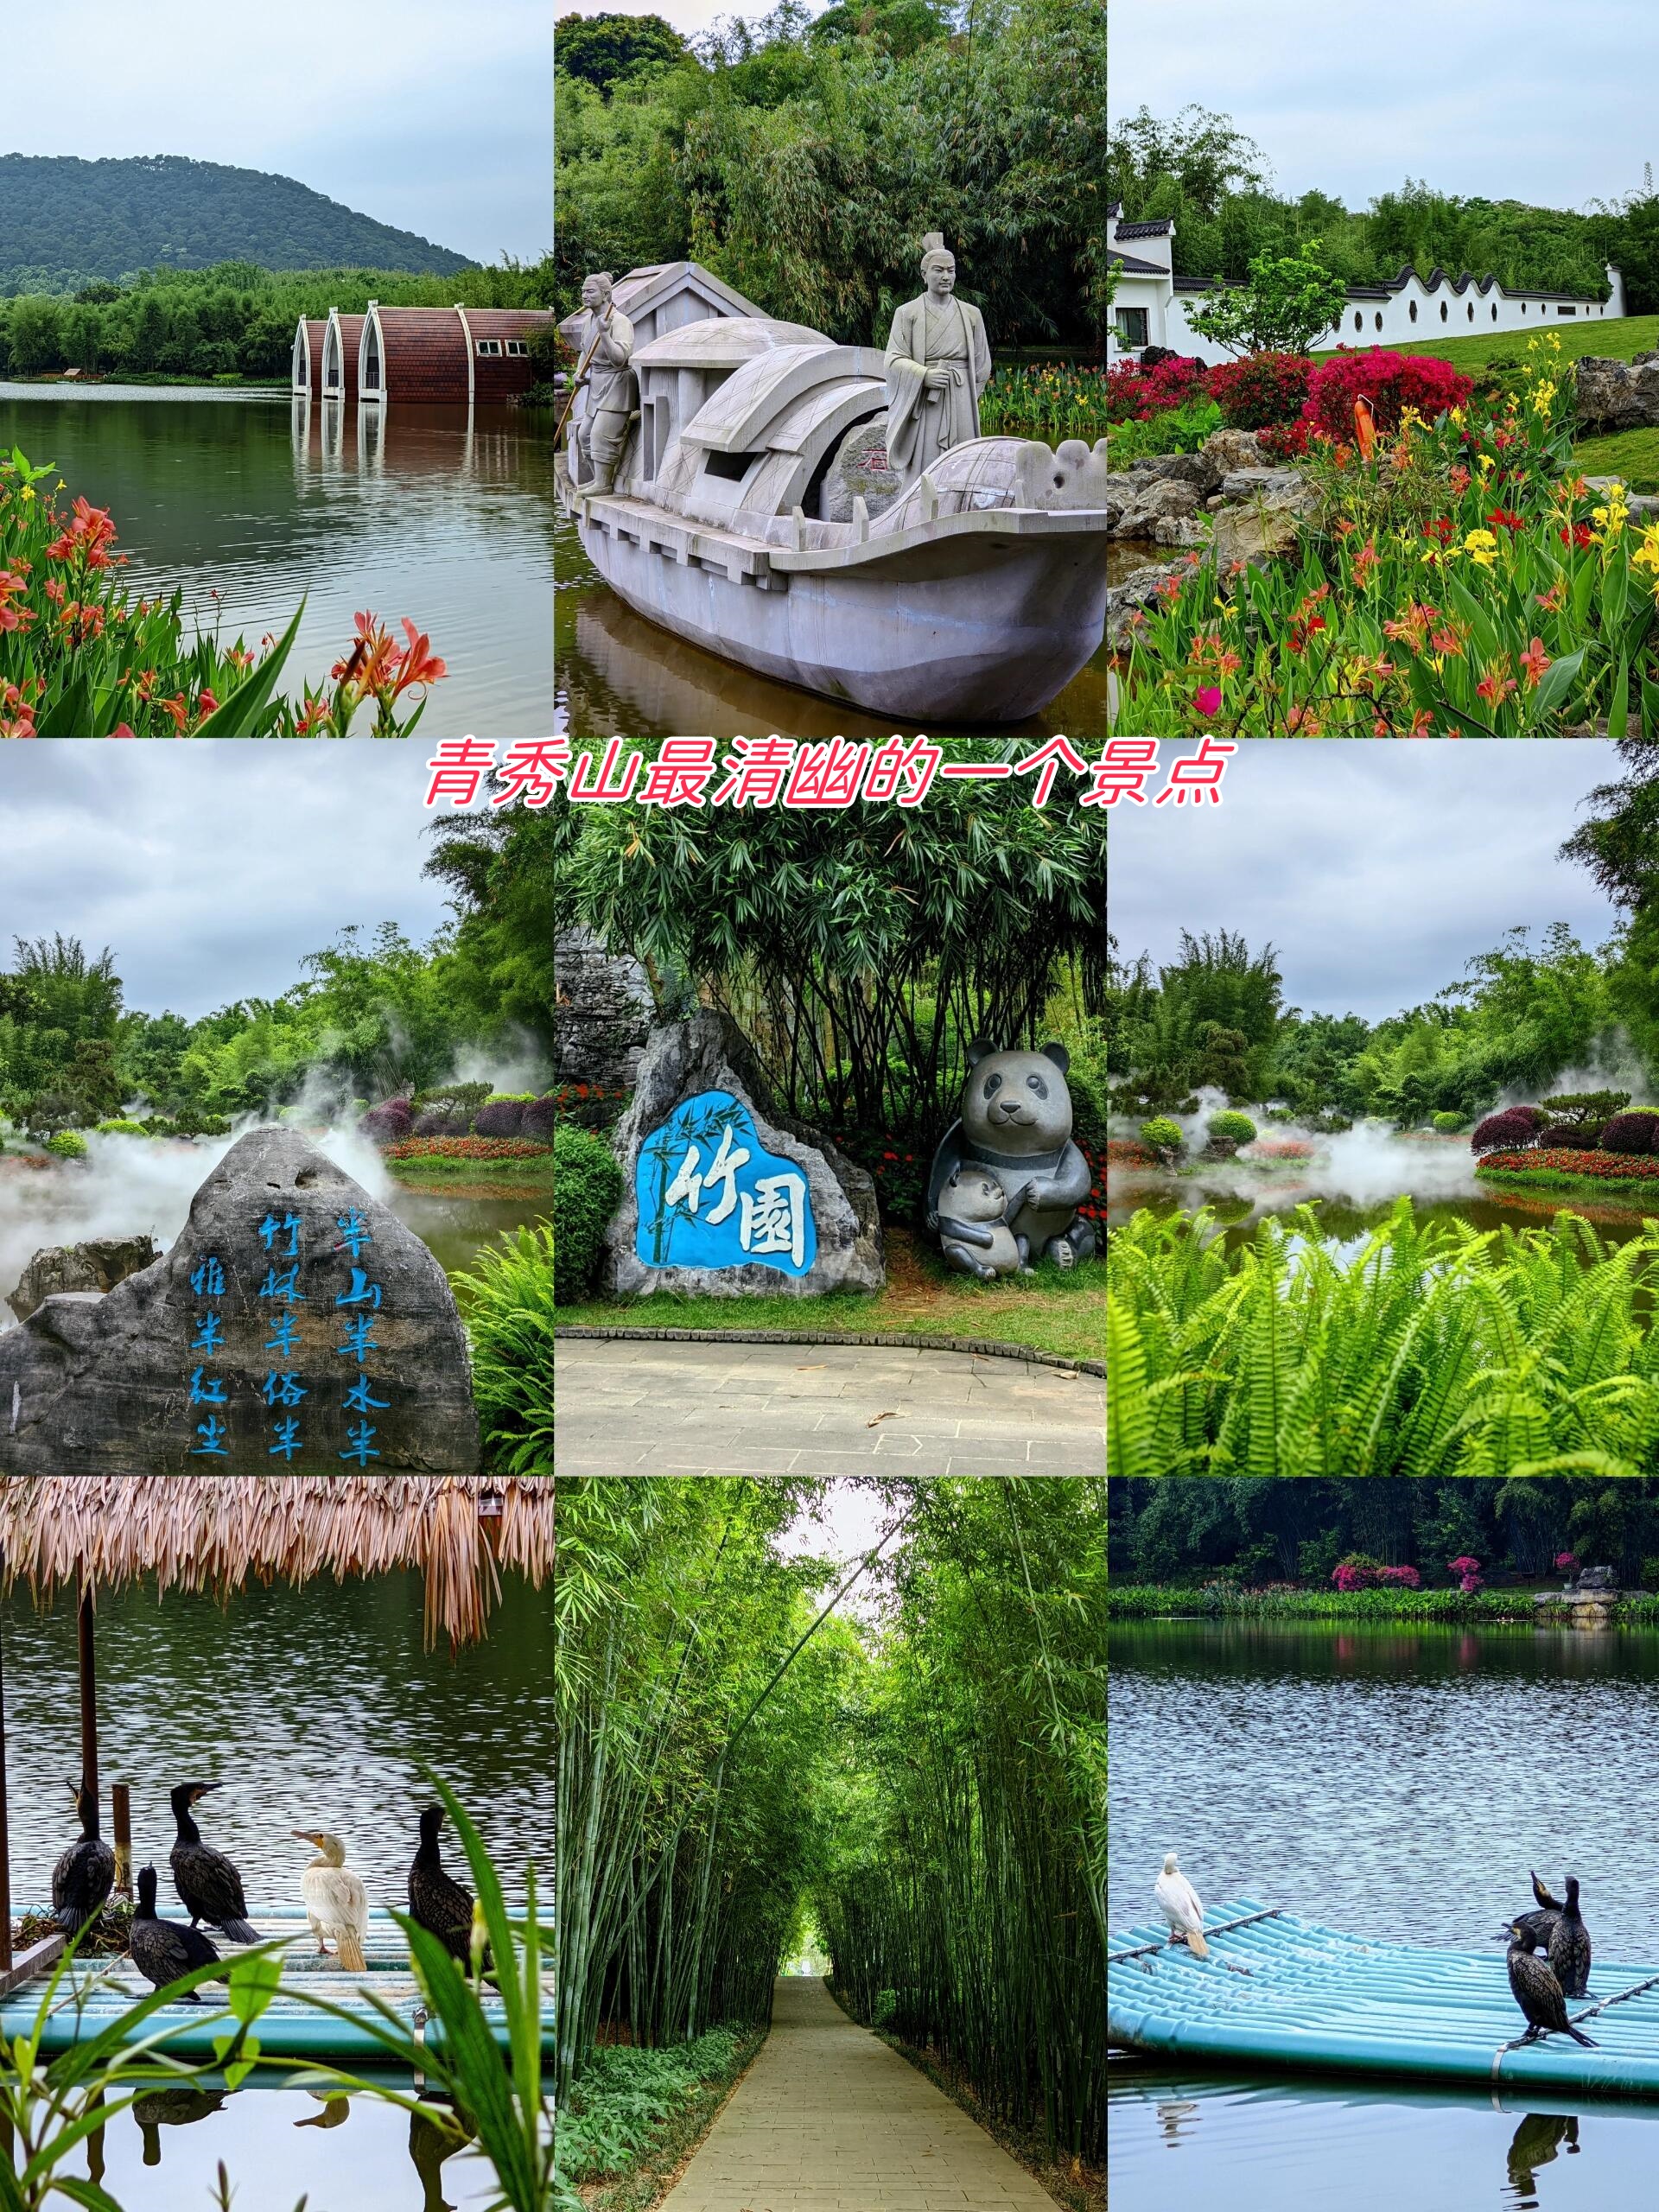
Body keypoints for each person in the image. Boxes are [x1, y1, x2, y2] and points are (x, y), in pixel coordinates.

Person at [883, 233, 992, 482]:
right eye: (938, 270)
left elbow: (982, 362)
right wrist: (924, 376)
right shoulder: (907, 313)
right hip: (928, 399)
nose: (946, 276)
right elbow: (893, 359)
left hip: (962, 393)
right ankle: (920, 507)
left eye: (951, 271)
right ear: (924, 275)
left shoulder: (971, 314)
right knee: (927, 462)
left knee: (963, 459)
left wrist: (967, 395)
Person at [571, 272, 635, 495]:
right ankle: (599, 478)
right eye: (583, 291)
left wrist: (605, 335)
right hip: (597, 383)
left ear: (605, 294)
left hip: (617, 383)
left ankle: (604, 484)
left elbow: (620, 359)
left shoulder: (620, 322)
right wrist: (580, 373)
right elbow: (585, 351)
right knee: (584, 435)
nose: (584, 295)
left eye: (590, 291)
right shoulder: (588, 321)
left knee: (600, 435)